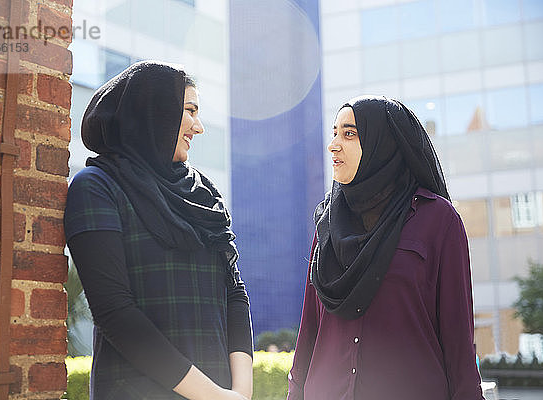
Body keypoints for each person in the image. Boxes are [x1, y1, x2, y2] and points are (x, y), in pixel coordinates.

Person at [64, 61, 253, 400]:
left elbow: (235, 294)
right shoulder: (96, 187)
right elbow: (114, 312)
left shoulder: (203, 194)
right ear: (154, 112)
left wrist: (240, 392)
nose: (199, 127)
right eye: (190, 111)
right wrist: (214, 396)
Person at [287, 95, 484, 400]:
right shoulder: (327, 221)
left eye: (349, 133)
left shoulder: (437, 220)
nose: (334, 145)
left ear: (383, 143)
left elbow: (458, 337)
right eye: (334, 133)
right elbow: (309, 327)